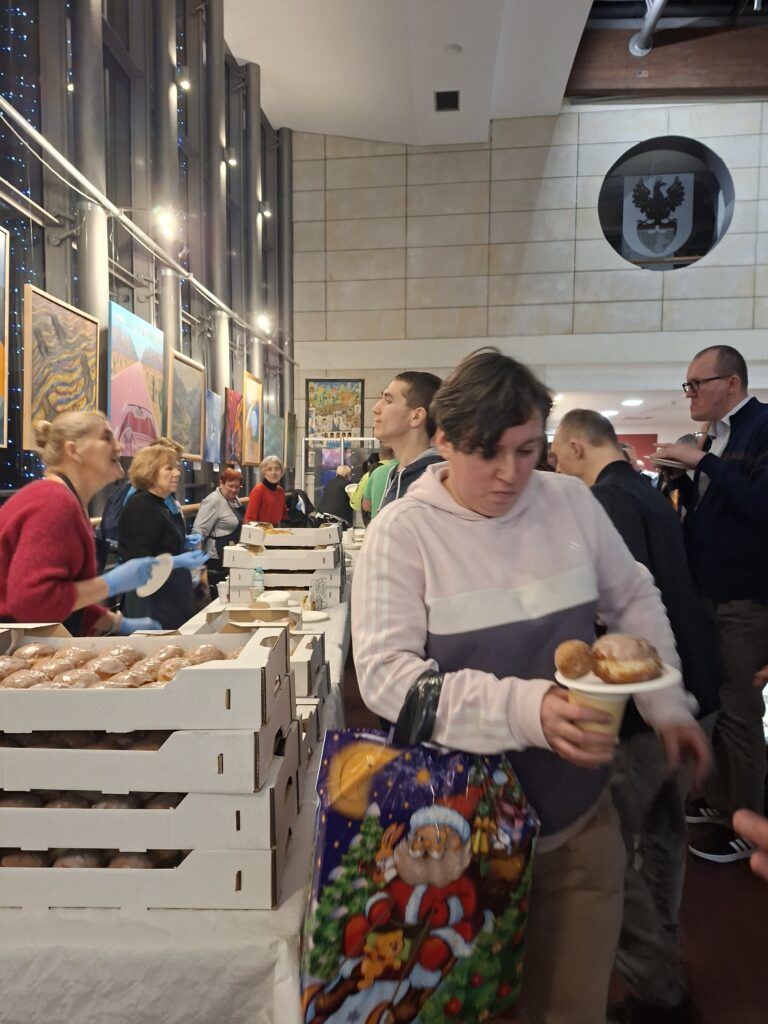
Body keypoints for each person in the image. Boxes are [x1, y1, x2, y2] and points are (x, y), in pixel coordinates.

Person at [352, 348, 710, 1024]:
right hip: (456, 835)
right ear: (444, 440)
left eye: (526, 449)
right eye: (487, 453)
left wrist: (666, 703)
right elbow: (387, 677)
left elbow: (633, 599)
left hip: (578, 821)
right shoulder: (403, 531)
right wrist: (529, 708)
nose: (510, 473)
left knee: (571, 1007)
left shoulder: (570, 501)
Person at [552, 408, 721, 1024]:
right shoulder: (649, 492)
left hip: (645, 706)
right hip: (693, 685)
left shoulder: (605, 504)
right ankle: (664, 966)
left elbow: (621, 616)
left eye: (550, 456)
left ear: (576, 448)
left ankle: (658, 988)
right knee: (665, 839)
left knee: (605, 857)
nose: (550, 469)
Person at [656, 344, 768, 864]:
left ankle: (750, 821)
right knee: (718, 703)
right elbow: (714, 515)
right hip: (710, 592)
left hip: (745, 597)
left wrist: (702, 462)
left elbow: (760, 507)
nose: (690, 395)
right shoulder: (714, 436)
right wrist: (682, 479)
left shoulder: (760, 428)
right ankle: (724, 803)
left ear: (732, 383)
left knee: (740, 711)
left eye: (697, 384)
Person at [0, 411, 160, 636]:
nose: (120, 446)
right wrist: (109, 584)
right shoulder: (53, 502)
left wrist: (115, 623)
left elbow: (66, 598)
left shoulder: (68, 501)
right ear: (73, 450)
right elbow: (34, 603)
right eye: (106, 438)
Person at [118, 444, 207, 630]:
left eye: (177, 468)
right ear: (149, 471)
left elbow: (159, 540)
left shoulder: (160, 504)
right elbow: (137, 561)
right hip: (153, 599)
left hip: (171, 594)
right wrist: (177, 561)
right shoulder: (139, 506)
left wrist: (183, 541)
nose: (177, 473)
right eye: (169, 468)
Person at [372, 371, 442, 509]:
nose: (375, 409)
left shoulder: (435, 481)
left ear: (416, 416)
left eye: (388, 401)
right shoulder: (397, 474)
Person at [192, 466, 244, 586]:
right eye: (231, 486)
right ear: (221, 483)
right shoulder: (213, 500)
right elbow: (198, 531)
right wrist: (197, 563)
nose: (234, 490)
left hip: (230, 556)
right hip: (216, 559)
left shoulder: (235, 499)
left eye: (237, 487)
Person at [244, 455, 288, 525]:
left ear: (281, 471)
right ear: (264, 472)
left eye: (277, 469)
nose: (274, 473)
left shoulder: (280, 491)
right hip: (259, 530)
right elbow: (249, 520)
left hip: (275, 529)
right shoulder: (258, 491)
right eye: (269, 469)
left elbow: (284, 516)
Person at [362, 444, 396, 520]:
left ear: (380, 456)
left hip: (377, 522)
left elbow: (366, 506)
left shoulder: (375, 472)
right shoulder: (406, 468)